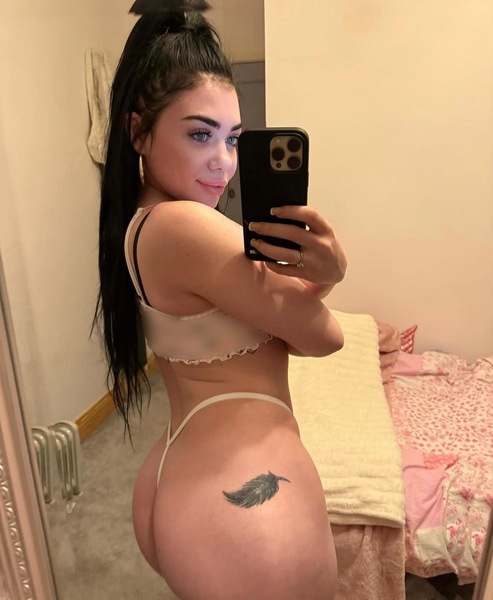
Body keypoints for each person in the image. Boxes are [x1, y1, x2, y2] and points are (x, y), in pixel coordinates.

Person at [94, 1, 347, 598]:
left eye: (233, 139)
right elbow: (323, 337)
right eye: (199, 134)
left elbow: (286, 321)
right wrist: (333, 270)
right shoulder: (186, 225)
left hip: (189, 463)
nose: (224, 163)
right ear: (138, 131)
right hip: (246, 500)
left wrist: (310, 284)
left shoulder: (142, 224)